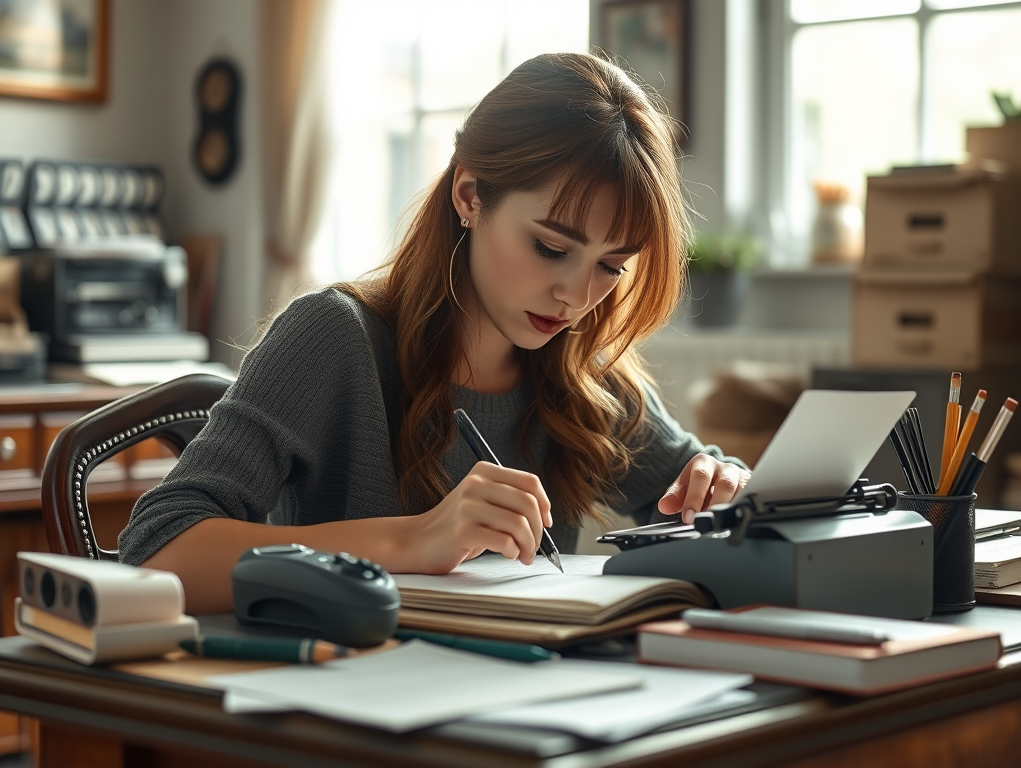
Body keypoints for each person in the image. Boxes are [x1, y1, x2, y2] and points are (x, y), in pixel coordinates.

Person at [119, 52, 749, 613]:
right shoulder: (333, 339)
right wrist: (414, 539)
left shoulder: (585, 372)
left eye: (612, 266)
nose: (577, 298)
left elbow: (698, 481)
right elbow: (159, 549)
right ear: (471, 195)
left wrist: (724, 486)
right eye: (551, 248)